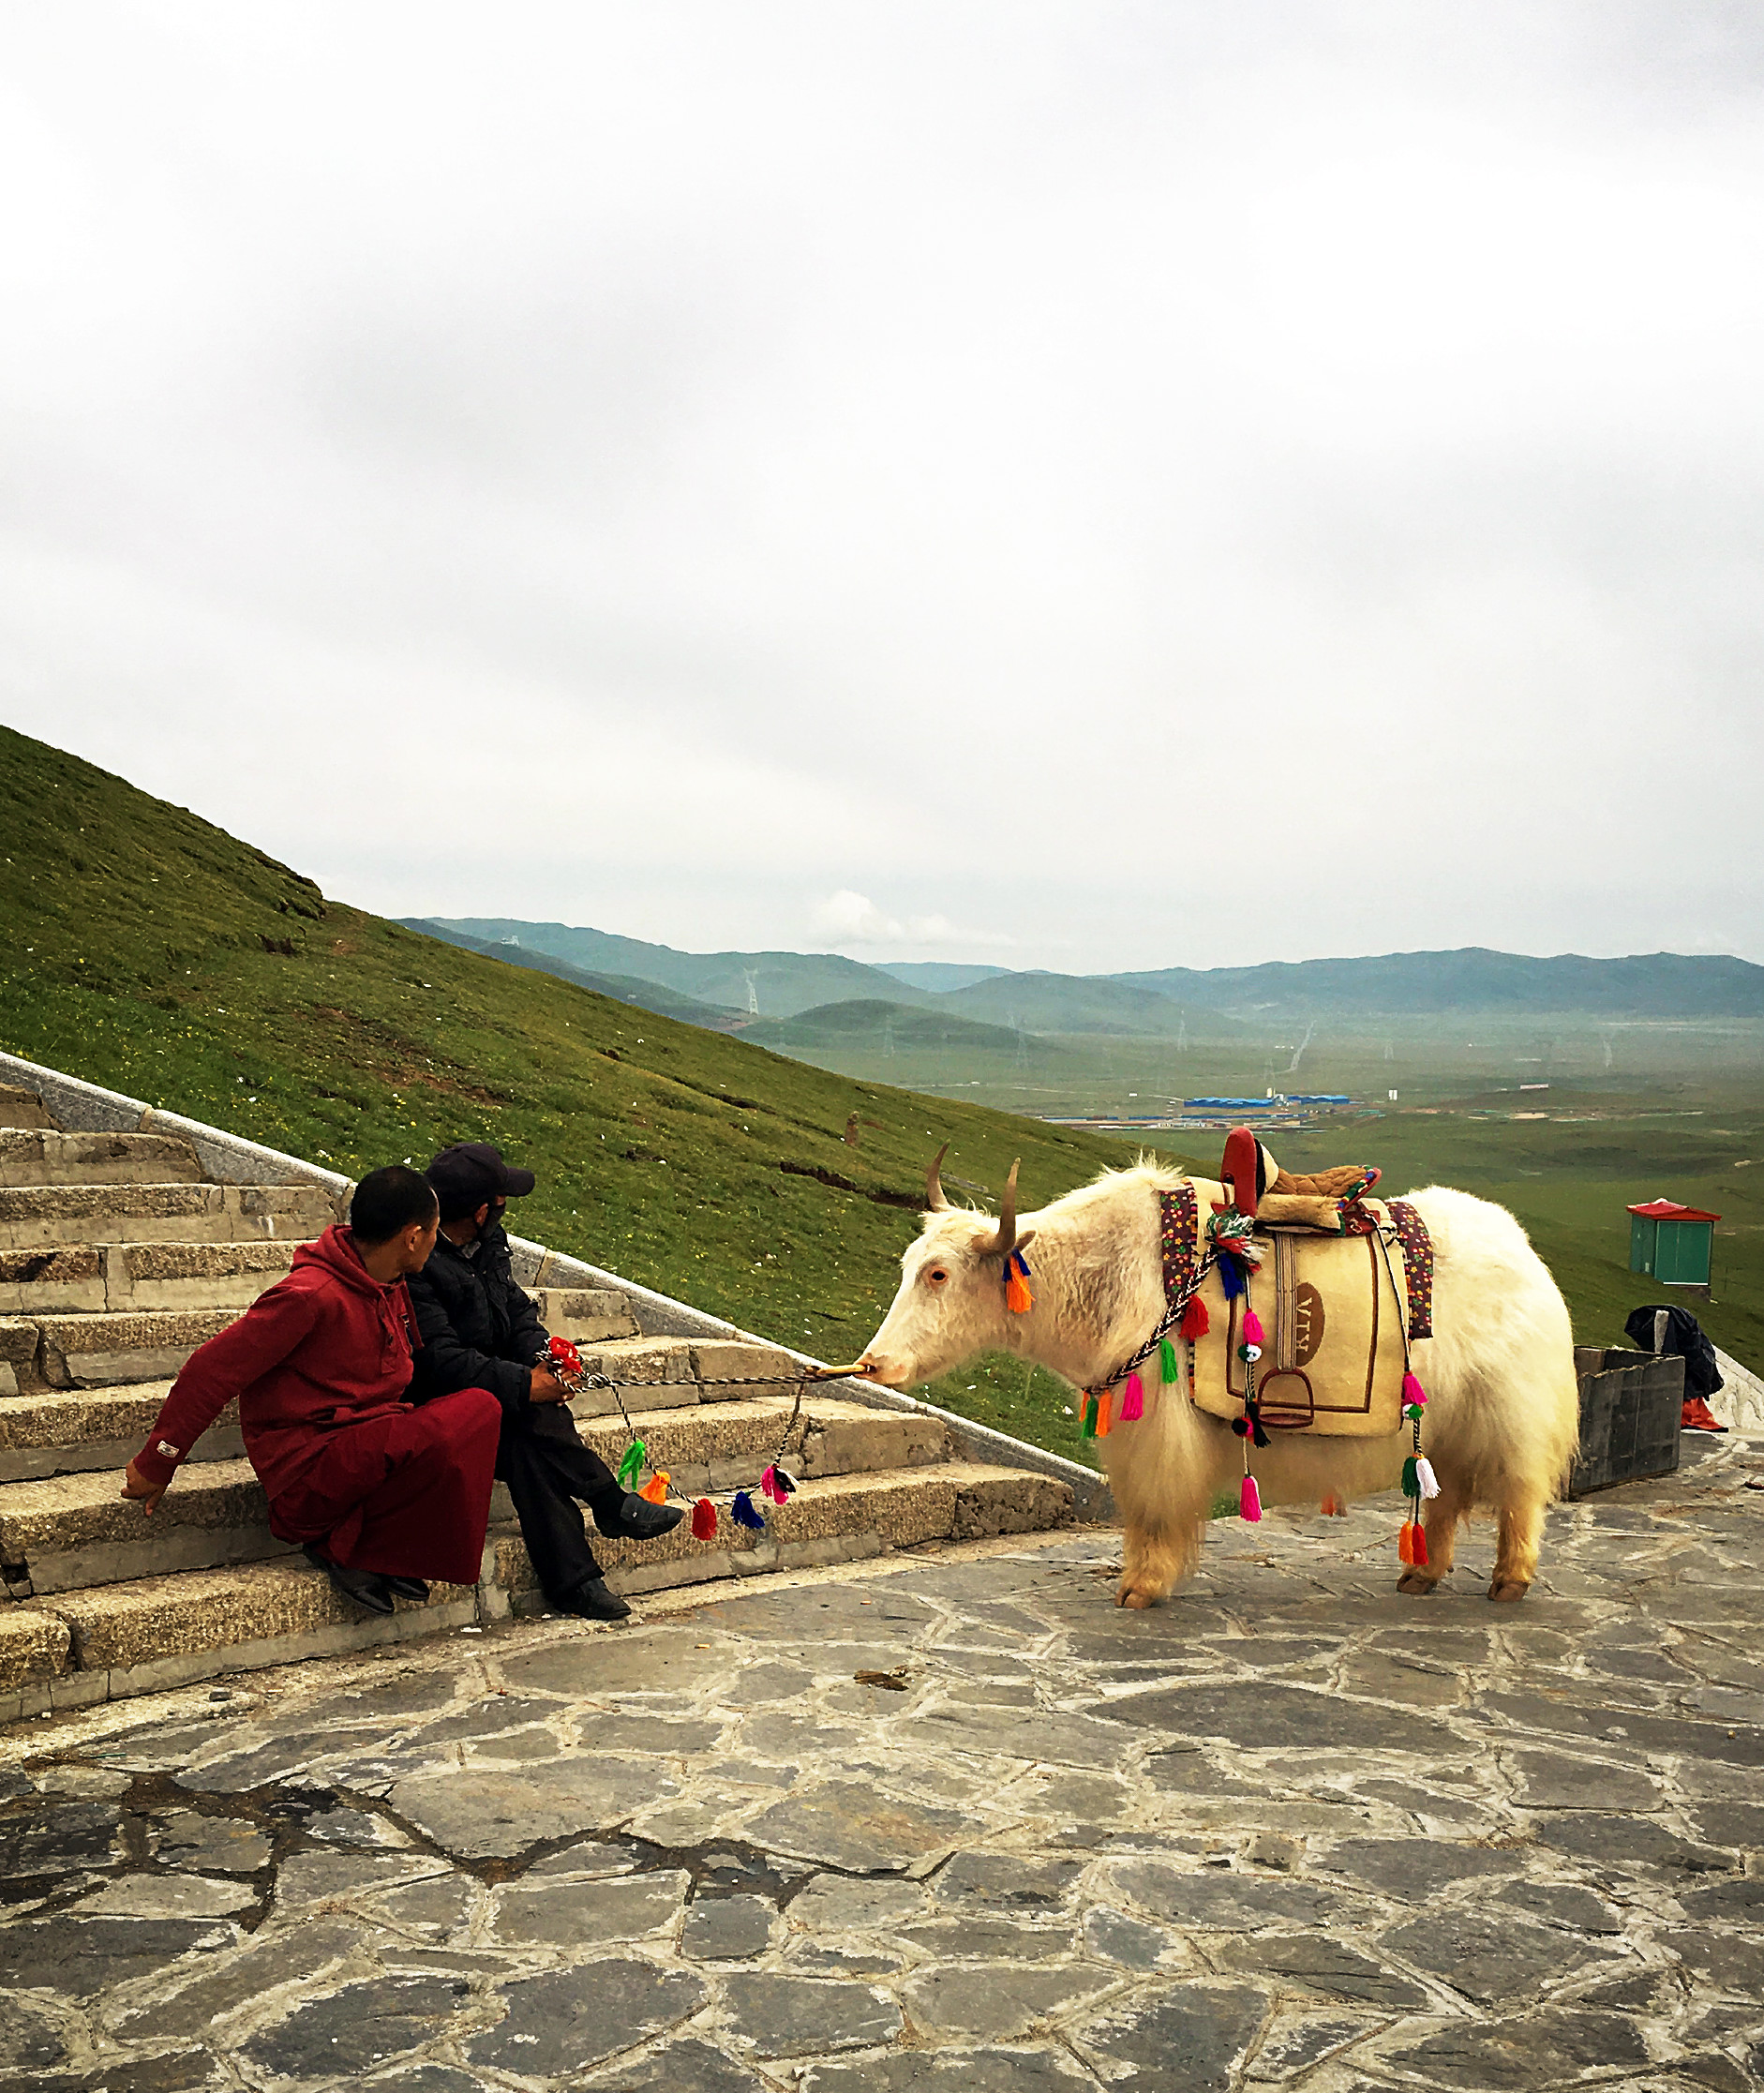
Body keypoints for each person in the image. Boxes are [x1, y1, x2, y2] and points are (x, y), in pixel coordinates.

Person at [122, 1165, 502, 1614]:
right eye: (435, 1232)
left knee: (477, 1415)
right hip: (307, 1474)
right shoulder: (310, 1295)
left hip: (363, 1446)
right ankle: (339, 1544)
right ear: (414, 1237)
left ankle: (377, 1548)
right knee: (472, 1410)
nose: (438, 1242)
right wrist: (159, 1461)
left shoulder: (387, 1284)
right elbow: (211, 1371)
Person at [405, 1142, 681, 1623]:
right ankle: (609, 1504)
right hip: (443, 1405)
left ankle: (577, 1583)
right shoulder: (419, 1266)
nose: (506, 1207)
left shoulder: (489, 1244)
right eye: (501, 1200)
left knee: (528, 1449)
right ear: (479, 1211)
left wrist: (545, 1358)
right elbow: (440, 1361)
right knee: (530, 1413)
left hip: (497, 1399)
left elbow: (515, 1310)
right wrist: (523, 1384)